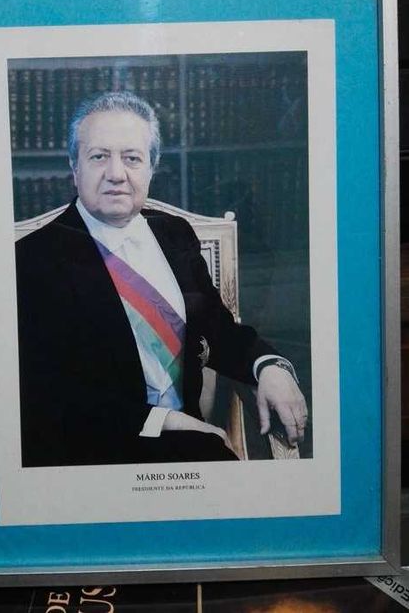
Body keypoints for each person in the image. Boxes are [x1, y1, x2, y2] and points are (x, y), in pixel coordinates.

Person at [16, 91, 308, 466]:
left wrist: (268, 366)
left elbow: (218, 330)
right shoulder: (32, 259)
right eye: (99, 156)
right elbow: (43, 394)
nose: (116, 174)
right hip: (92, 456)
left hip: (190, 450)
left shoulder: (175, 235)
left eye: (132, 158)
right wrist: (163, 421)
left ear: (152, 168)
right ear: (75, 167)